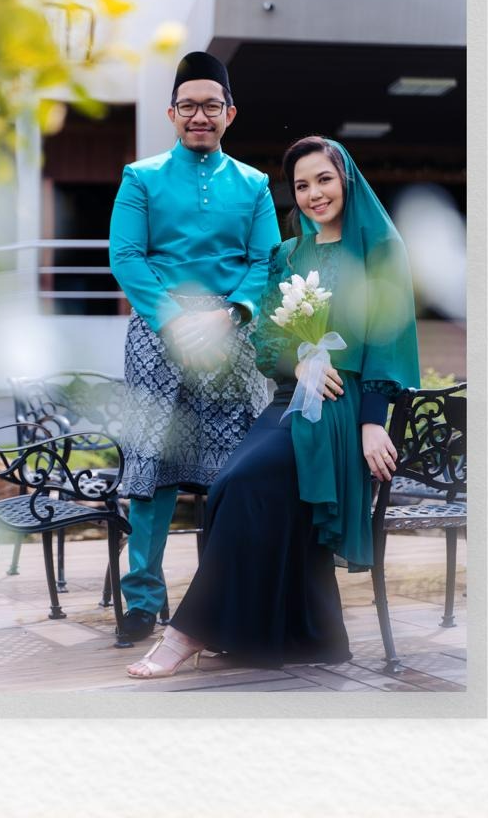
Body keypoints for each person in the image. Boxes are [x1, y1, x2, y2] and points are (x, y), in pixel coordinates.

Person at [126, 135, 420, 678]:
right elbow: (265, 341)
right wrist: (299, 361)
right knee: (228, 485)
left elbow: (389, 340)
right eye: (302, 185)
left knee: (247, 481)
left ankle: (188, 631)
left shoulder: (379, 250)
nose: (314, 194)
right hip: (290, 398)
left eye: (324, 180)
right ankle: (295, 632)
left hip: (344, 404)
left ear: (347, 180)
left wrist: (372, 422)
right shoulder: (287, 254)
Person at [109, 51, 280, 642]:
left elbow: (265, 262)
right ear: (171, 114)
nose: (199, 116)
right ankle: (142, 600)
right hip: (159, 336)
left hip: (233, 338)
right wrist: (175, 318)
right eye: (188, 106)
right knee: (152, 466)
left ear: (230, 113)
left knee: (233, 469)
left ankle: (221, 597)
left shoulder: (254, 185)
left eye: (211, 105)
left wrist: (230, 314)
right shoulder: (141, 177)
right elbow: (126, 256)